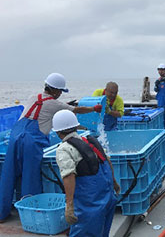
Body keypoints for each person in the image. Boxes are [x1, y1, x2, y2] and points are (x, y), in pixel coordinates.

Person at [0, 73, 101, 222]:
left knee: (8, 175)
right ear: (55, 90)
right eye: (60, 91)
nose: (60, 94)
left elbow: (43, 109)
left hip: (15, 137)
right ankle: (32, 217)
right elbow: (76, 110)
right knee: (30, 177)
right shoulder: (56, 104)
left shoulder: (33, 96)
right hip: (31, 142)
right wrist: (94, 108)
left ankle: (2, 213)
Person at [52, 110, 118, 237]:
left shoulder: (64, 149)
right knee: (102, 232)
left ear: (58, 132)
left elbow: (69, 175)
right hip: (107, 197)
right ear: (76, 126)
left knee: (84, 232)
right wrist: (114, 182)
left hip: (89, 203)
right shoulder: (89, 140)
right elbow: (107, 160)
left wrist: (69, 205)